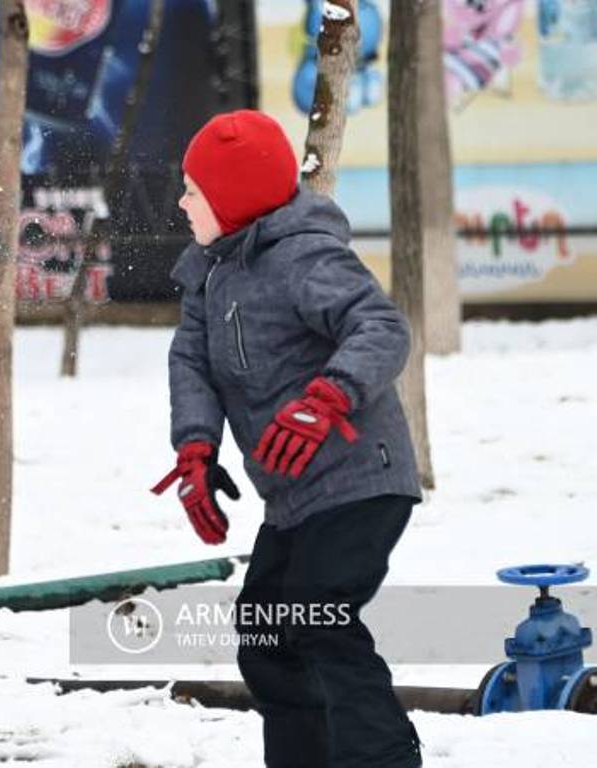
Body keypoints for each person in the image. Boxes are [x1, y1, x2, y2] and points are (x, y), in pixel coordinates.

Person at [152, 109, 423, 768]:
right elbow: (191, 360)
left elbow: (381, 329)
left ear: (233, 200)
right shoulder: (209, 271)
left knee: (316, 618)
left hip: (361, 478)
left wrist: (326, 397)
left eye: (194, 190)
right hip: (295, 498)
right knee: (267, 634)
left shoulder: (304, 256)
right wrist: (195, 447)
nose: (183, 202)